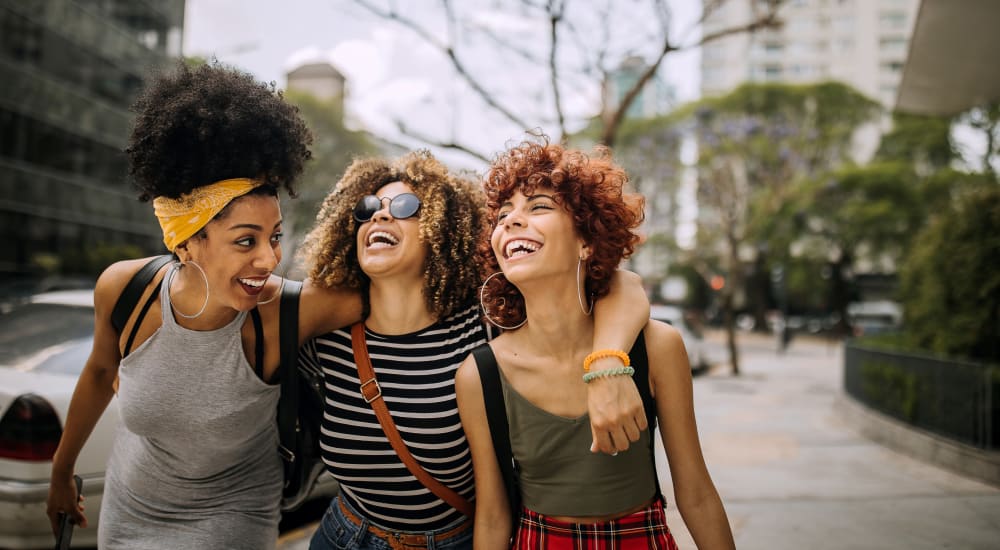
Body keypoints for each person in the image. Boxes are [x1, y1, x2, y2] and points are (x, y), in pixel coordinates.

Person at [45, 62, 362, 549]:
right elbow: (97, 375)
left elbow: (394, 292)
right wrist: (61, 473)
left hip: (233, 517)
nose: (269, 258)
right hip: (128, 510)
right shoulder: (125, 290)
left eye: (274, 237)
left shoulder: (287, 312)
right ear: (188, 243)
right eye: (245, 241)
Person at [297, 151, 652, 550]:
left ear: (442, 227)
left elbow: (625, 286)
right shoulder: (328, 337)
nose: (379, 216)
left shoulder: (486, 324)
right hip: (345, 536)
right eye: (367, 209)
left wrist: (607, 363)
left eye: (404, 206)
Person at [455, 140, 736, 549]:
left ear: (587, 241)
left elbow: (695, 493)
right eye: (503, 215)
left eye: (538, 207)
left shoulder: (656, 348)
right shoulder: (478, 375)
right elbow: (494, 515)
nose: (512, 221)